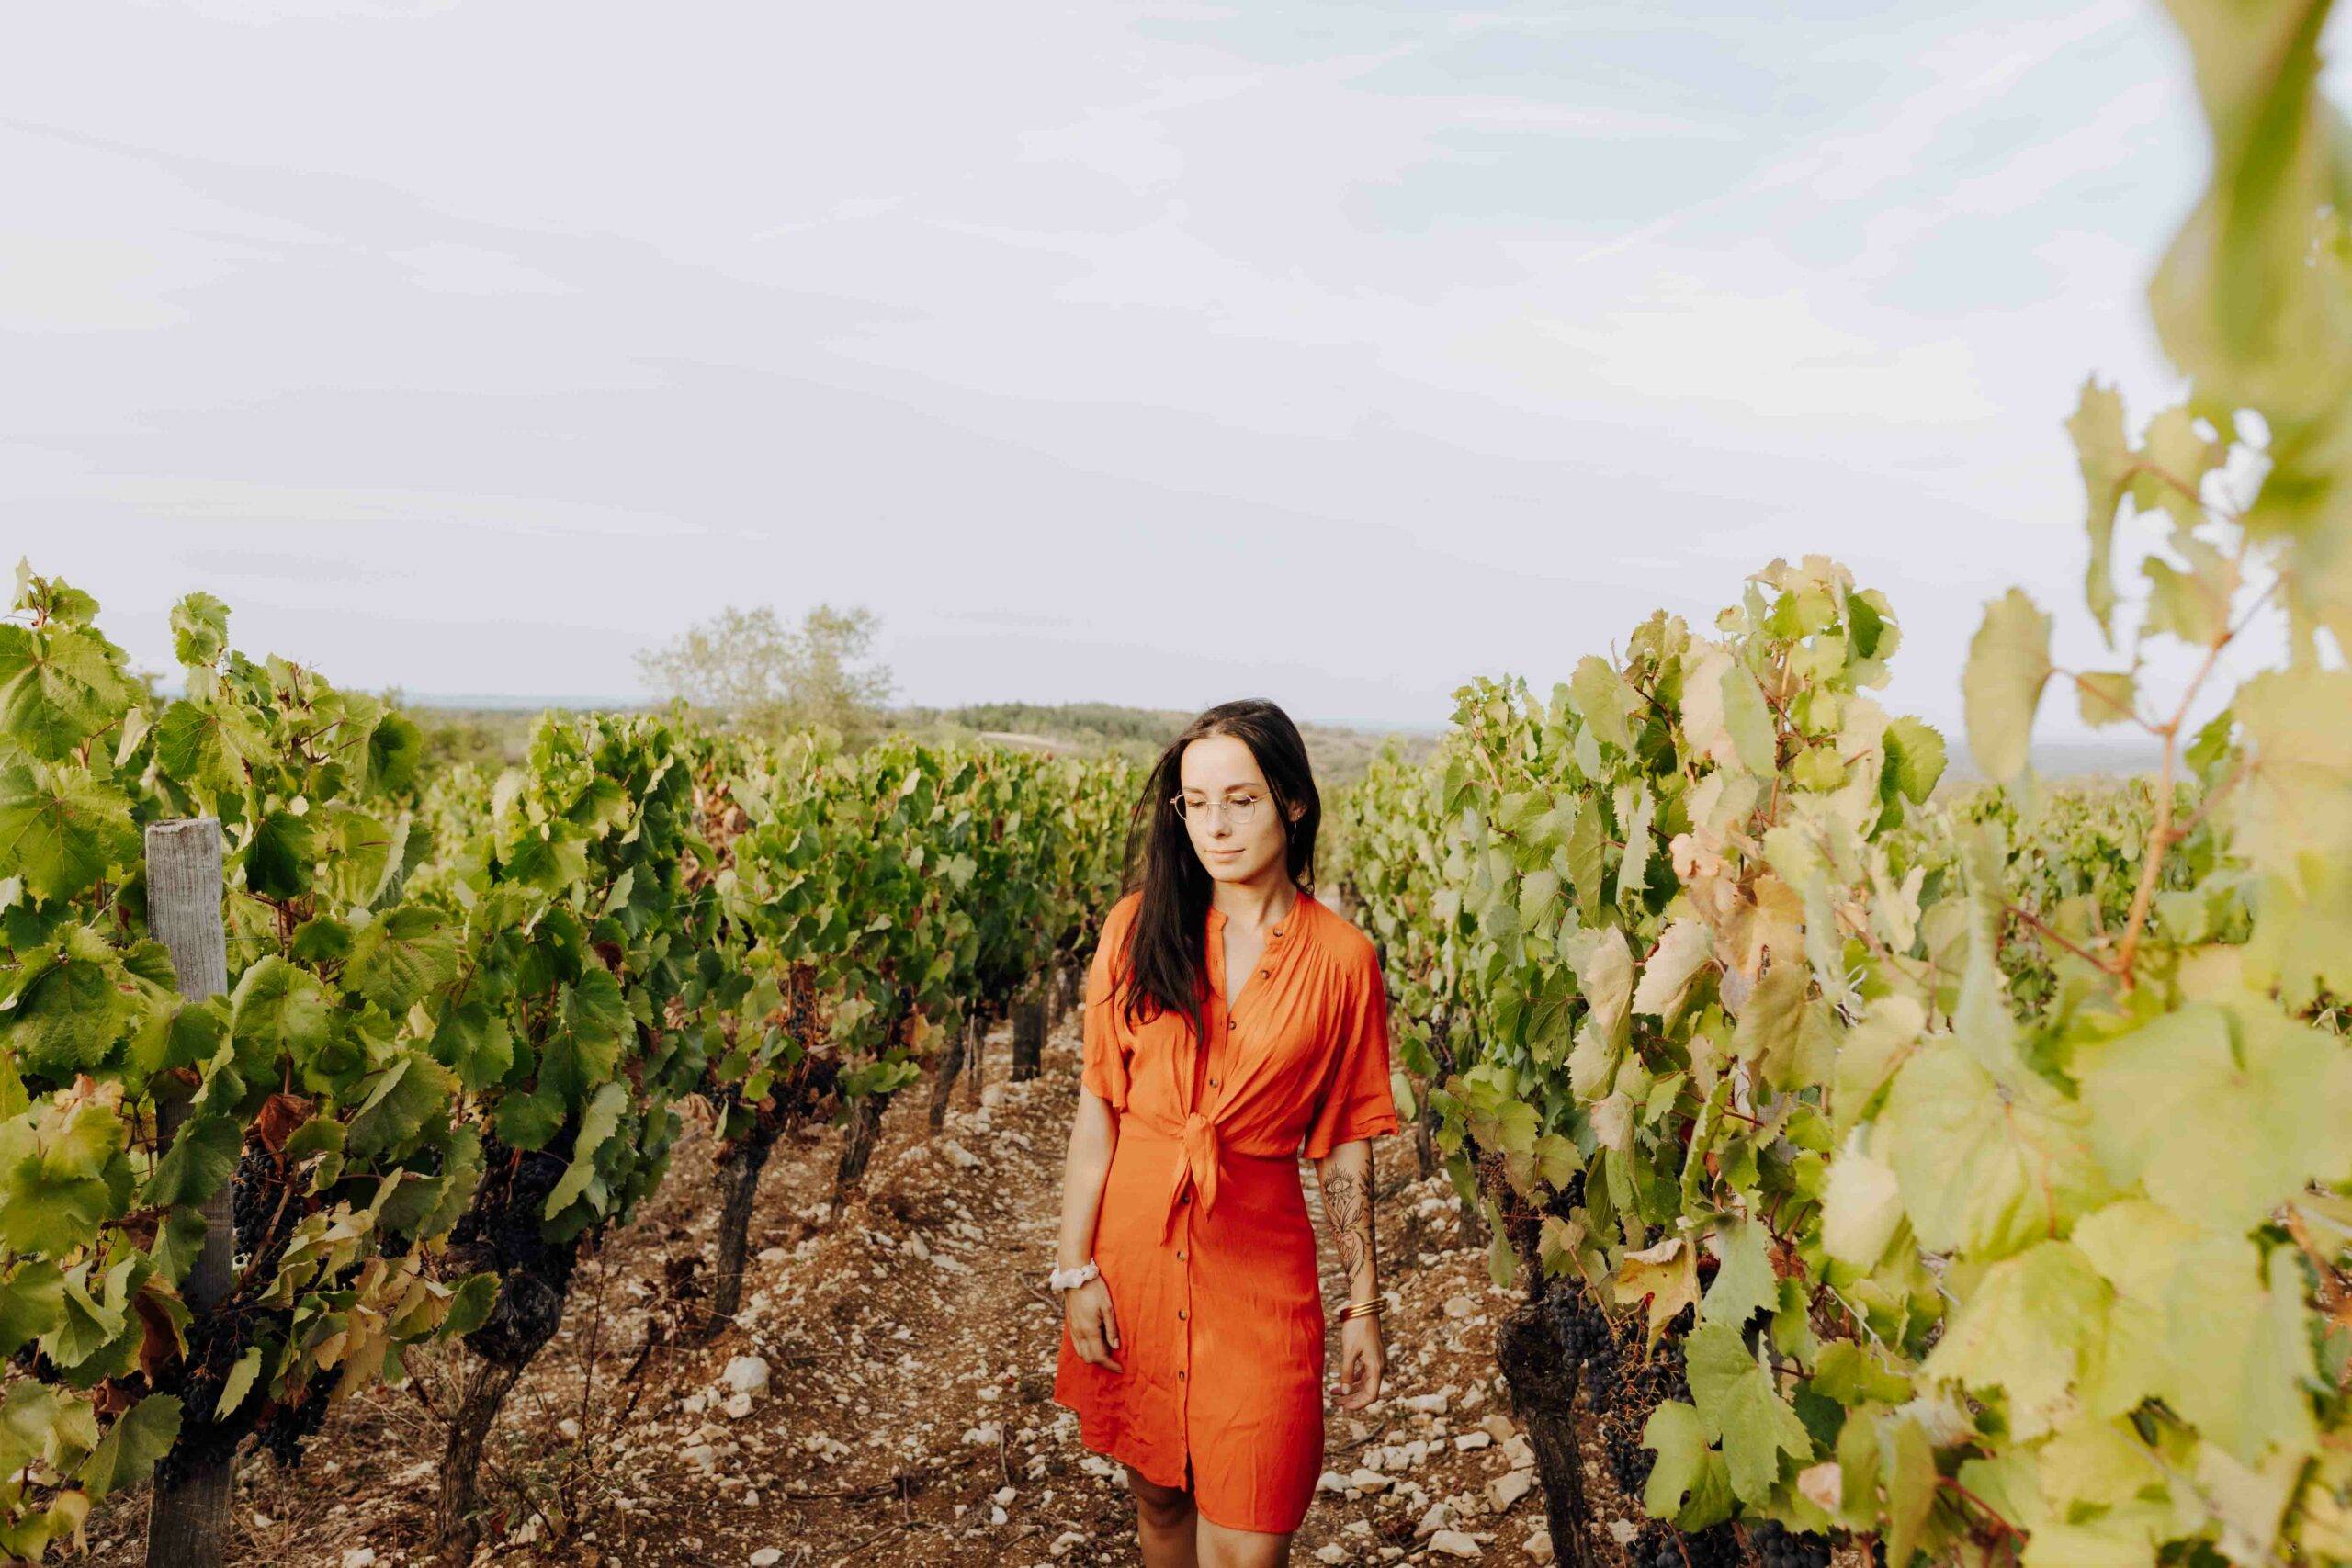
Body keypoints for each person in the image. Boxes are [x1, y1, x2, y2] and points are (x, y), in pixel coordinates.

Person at [1048, 698, 1401, 1567]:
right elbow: (1099, 1106)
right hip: (1130, 1254)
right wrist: (1073, 1270)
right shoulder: (1136, 927)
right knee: (1161, 1502)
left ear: (1293, 803)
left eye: (1240, 799)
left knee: (1249, 1539)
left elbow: (1346, 1140)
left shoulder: (1344, 959)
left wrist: (1363, 1302)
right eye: (1194, 802)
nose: (1215, 824)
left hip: (1261, 1269)